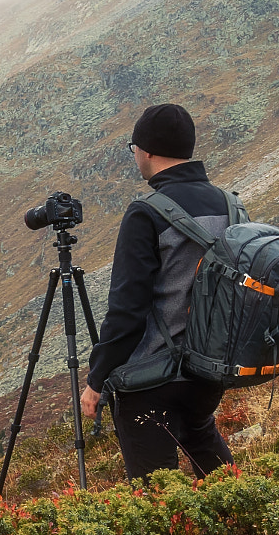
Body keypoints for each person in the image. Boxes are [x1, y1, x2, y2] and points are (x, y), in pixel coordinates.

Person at [78, 102, 235, 479]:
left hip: (152, 376)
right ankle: (246, 520)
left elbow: (128, 310)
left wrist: (96, 380)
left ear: (146, 151)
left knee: (155, 495)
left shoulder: (146, 212)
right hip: (207, 370)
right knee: (205, 451)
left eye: (133, 149)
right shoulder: (229, 204)